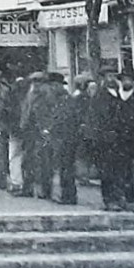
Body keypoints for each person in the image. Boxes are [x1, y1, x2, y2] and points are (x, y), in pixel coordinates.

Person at [84, 68, 134, 211]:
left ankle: (128, 200)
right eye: (108, 76)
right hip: (106, 141)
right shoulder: (99, 97)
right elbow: (94, 120)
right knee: (107, 172)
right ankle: (110, 200)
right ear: (103, 79)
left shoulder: (120, 96)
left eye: (113, 76)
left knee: (126, 171)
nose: (111, 79)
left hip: (123, 140)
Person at [20, 72, 62, 200]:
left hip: (42, 131)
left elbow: (50, 112)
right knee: (28, 160)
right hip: (30, 131)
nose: (35, 84)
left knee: (44, 162)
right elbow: (26, 110)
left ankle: (45, 190)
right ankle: (28, 188)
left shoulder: (48, 94)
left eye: (38, 81)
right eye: (34, 81)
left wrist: (47, 129)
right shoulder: (31, 93)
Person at [50, 73, 87, 204]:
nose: (53, 88)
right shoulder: (62, 98)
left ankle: (69, 196)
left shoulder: (65, 99)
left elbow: (63, 120)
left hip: (66, 138)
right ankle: (67, 194)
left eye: (54, 85)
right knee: (64, 168)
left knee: (66, 168)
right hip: (64, 138)